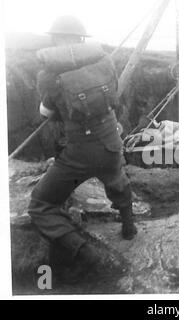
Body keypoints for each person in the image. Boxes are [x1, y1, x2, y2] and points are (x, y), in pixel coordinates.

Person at [28, 16, 137, 274]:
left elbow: (45, 112)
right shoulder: (105, 60)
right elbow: (114, 96)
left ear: (58, 38)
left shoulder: (48, 73)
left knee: (40, 204)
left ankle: (85, 252)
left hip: (79, 151)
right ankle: (129, 226)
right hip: (111, 140)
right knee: (115, 175)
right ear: (80, 38)